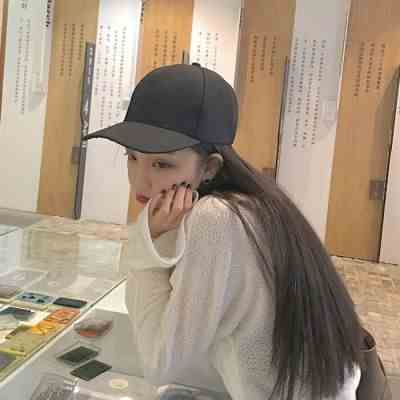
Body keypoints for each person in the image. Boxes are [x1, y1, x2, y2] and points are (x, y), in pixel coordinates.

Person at [84, 63, 363, 400]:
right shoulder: (253, 203)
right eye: (132, 157)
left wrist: (150, 247)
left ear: (210, 167)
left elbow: (159, 363)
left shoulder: (216, 219)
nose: (140, 180)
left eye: (162, 164)